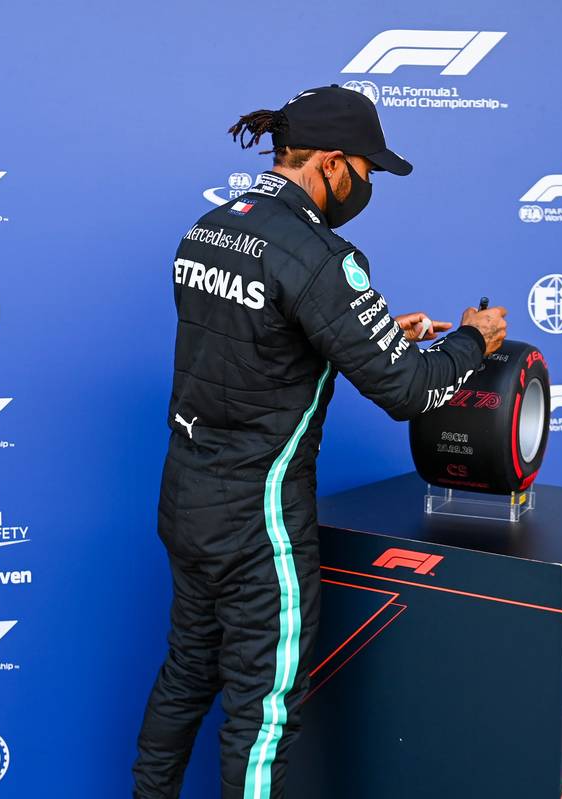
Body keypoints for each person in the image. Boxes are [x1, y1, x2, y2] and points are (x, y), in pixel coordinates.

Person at [133, 84, 508, 799]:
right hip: (258, 521)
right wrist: (472, 339)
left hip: (186, 499)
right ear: (333, 163)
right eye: (367, 172)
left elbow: (256, 344)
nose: (368, 187)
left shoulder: (210, 227)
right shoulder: (321, 256)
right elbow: (408, 392)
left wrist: (372, 332)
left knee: (186, 671)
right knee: (264, 714)